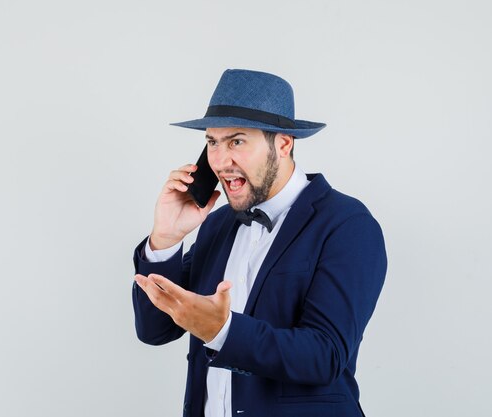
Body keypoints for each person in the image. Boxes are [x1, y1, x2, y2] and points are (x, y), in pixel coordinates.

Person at [132, 69, 387, 417]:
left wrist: (222, 331)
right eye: (212, 142)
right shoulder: (219, 224)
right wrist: (165, 238)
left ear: (283, 143)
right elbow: (156, 330)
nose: (220, 162)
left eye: (236, 141)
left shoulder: (347, 224)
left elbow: (324, 355)